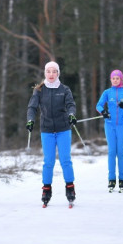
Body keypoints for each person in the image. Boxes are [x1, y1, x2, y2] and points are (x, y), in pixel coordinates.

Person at [26, 61, 77, 206]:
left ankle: (70, 188)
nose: (51, 74)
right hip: (47, 130)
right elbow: (32, 107)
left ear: (58, 73)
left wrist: (72, 114)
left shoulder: (65, 89)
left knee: (65, 160)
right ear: (45, 73)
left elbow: (71, 105)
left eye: (54, 71)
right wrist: (30, 120)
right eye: (48, 71)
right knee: (48, 162)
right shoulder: (39, 90)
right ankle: (46, 189)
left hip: (63, 129)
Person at [95, 69, 123, 192]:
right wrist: (104, 112)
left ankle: (122, 180)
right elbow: (99, 105)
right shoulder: (107, 92)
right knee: (112, 152)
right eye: (113, 78)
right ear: (111, 80)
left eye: (118, 78)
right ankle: (111, 179)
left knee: (121, 153)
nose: (115, 80)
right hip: (110, 125)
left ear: (121, 79)